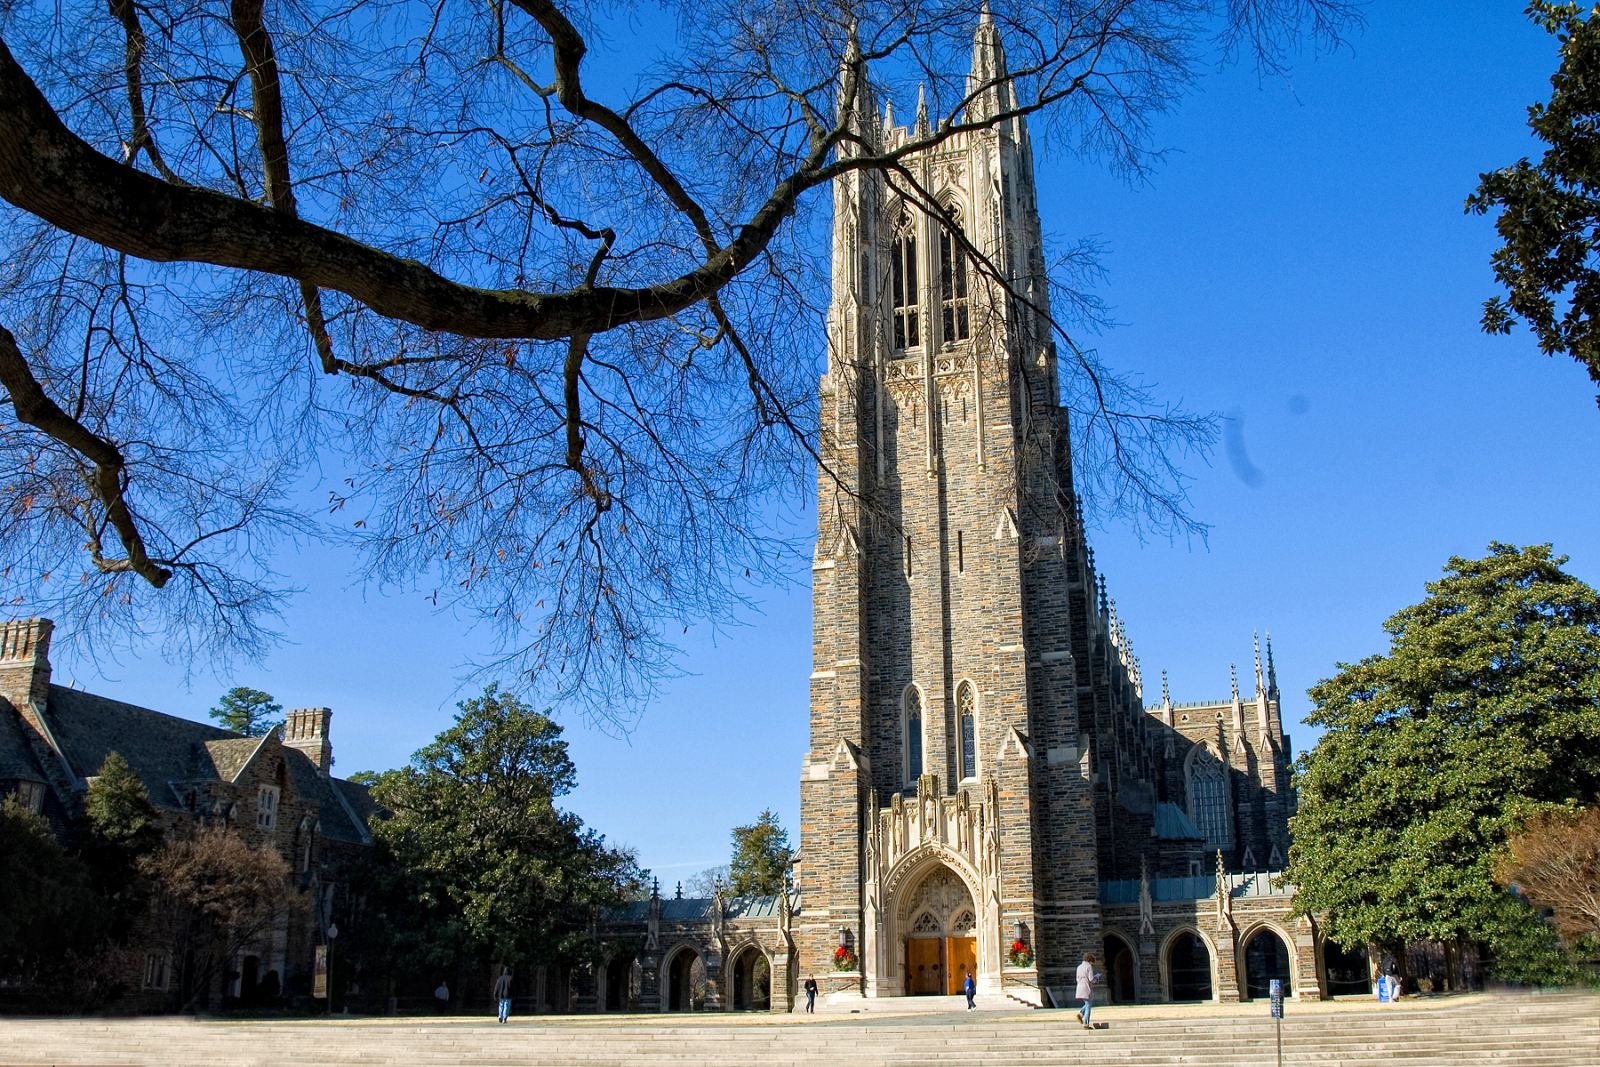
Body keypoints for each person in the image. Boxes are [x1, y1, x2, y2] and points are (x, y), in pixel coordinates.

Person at [1075, 952, 1102, 1030]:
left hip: (1079, 987)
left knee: (1087, 1004)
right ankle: (1085, 1023)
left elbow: (1077, 978)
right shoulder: (1089, 966)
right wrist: (1097, 977)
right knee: (1088, 1007)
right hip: (1086, 988)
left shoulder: (1079, 967)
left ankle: (1080, 1013)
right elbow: (1091, 979)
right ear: (1090, 960)